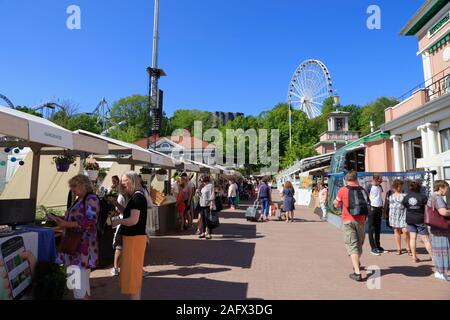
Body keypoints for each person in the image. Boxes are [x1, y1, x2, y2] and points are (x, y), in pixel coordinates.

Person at [50, 174, 99, 300]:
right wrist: (58, 219)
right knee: (78, 286)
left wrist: (66, 224)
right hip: (75, 249)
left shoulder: (91, 198)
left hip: (81, 249)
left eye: (74, 186)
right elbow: (75, 219)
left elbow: (91, 222)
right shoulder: (80, 199)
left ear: (83, 185)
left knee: (79, 289)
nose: (72, 189)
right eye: (71, 186)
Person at [111, 172, 148, 300]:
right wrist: (116, 204)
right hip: (132, 239)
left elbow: (133, 220)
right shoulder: (134, 197)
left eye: (125, 180)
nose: (122, 183)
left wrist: (118, 221)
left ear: (132, 181)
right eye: (122, 180)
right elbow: (128, 214)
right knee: (132, 275)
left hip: (134, 239)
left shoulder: (137, 198)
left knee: (133, 275)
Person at [334, 171, 369, 282]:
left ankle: (357, 273)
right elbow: (368, 203)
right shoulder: (363, 190)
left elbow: (336, 204)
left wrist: (338, 204)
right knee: (359, 244)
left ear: (346, 180)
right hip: (361, 220)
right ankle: (357, 263)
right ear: (356, 179)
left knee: (352, 245)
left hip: (348, 220)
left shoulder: (343, 190)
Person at [403, 181, 432, 263]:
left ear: (410, 188)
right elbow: (428, 207)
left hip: (410, 219)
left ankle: (414, 257)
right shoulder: (423, 197)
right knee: (425, 239)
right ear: (419, 188)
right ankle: (432, 257)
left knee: (412, 238)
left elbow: (405, 205)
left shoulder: (407, 197)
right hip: (420, 219)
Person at [427, 180, 450, 281]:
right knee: (442, 250)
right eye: (446, 188)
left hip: (434, 227)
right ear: (441, 188)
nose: (447, 190)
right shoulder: (438, 198)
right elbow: (443, 212)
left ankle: (439, 271)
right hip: (440, 229)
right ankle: (441, 272)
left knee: (438, 250)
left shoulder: (432, 196)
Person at [109, 183, 129, 276]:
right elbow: (122, 211)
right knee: (120, 247)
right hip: (125, 223)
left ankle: (117, 268)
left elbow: (125, 211)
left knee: (121, 247)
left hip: (125, 223)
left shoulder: (127, 195)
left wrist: (116, 204)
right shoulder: (124, 196)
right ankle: (117, 268)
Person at [387, 179, 411, 256]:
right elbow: (387, 205)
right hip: (393, 215)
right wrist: (385, 213)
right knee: (397, 231)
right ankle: (399, 248)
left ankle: (408, 248)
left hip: (403, 215)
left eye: (401, 186)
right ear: (396, 187)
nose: (401, 187)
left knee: (405, 231)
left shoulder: (405, 195)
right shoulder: (390, 196)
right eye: (400, 186)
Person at [367, 174, 385, 256]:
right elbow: (366, 197)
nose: (381, 181)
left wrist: (382, 207)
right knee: (371, 228)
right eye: (379, 180)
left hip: (379, 208)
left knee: (378, 228)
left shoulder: (380, 186)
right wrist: (369, 207)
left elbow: (379, 197)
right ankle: (373, 247)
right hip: (372, 209)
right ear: (374, 179)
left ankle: (378, 246)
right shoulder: (369, 187)